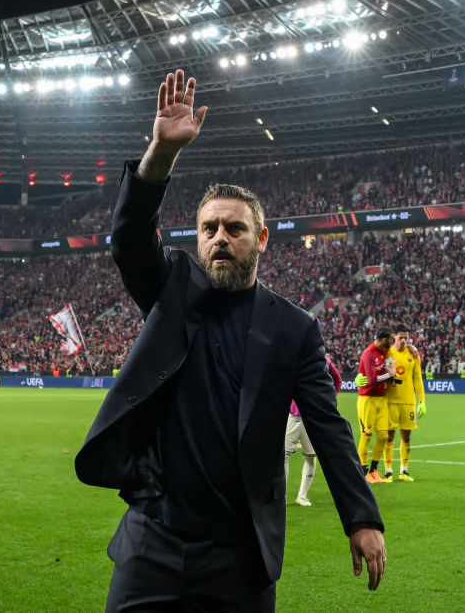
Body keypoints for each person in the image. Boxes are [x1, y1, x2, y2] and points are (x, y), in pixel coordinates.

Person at [75, 69, 385, 612]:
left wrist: (361, 517)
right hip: (154, 540)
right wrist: (161, 153)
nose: (220, 237)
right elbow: (127, 237)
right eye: (209, 228)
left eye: (234, 229)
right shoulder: (171, 291)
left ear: (260, 238)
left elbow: (328, 427)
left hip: (239, 553)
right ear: (196, 239)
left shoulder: (293, 329)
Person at [284, 352, 342, 507]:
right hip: (293, 417)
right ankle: (281, 496)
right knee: (283, 457)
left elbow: (337, 380)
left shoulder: (325, 362)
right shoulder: (293, 359)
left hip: (312, 418)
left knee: (310, 457)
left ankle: (302, 496)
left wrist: (330, 399)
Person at [383, 326, 426, 481]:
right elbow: (388, 374)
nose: (403, 340)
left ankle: (404, 471)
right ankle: (388, 472)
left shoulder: (413, 354)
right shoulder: (388, 353)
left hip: (408, 402)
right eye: (401, 337)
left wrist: (422, 401)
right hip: (391, 401)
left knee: (406, 437)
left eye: (406, 338)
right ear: (394, 336)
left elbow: (417, 378)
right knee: (389, 436)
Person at [354, 326, 394, 484]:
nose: (390, 344)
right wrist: (389, 374)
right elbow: (371, 380)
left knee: (384, 436)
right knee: (367, 435)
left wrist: (392, 367)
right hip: (367, 399)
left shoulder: (385, 351)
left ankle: (374, 470)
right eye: (389, 341)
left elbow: (392, 360)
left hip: (381, 399)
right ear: (383, 339)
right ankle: (363, 472)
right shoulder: (368, 354)